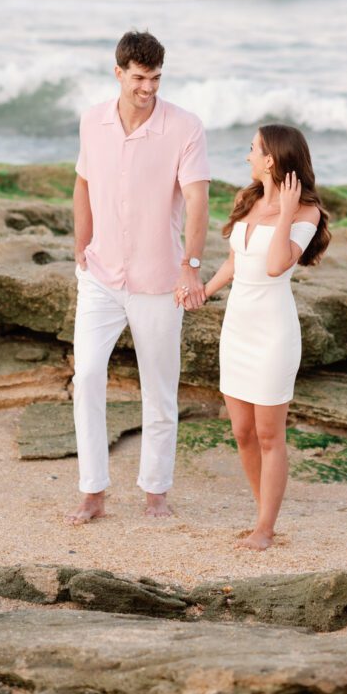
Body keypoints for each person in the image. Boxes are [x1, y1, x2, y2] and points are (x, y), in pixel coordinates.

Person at [67, 30, 210, 524]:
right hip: (101, 275)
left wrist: (191, 266)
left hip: (159, 279)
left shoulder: (185, 127)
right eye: (139, 78)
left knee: (159, 388)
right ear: (119, 73)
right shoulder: (92, 121)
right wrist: (80, 244)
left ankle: (156, 492)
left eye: (155, 78)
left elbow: (196, 200)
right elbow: (82, 183)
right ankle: (93, 491)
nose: (148, 88)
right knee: (86, 375)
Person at [187, 124, 330, 550]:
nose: (247, 155)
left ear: (271, 159)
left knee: (270, 435)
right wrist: (203, 292)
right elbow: (236, 261)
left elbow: (274, 267)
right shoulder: (246, 199)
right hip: (237, 328)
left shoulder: (306, 214)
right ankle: (261, 513)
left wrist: (284, 213)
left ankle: (266, 529)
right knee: (242, 432)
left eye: (252, 149)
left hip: (272, 332)